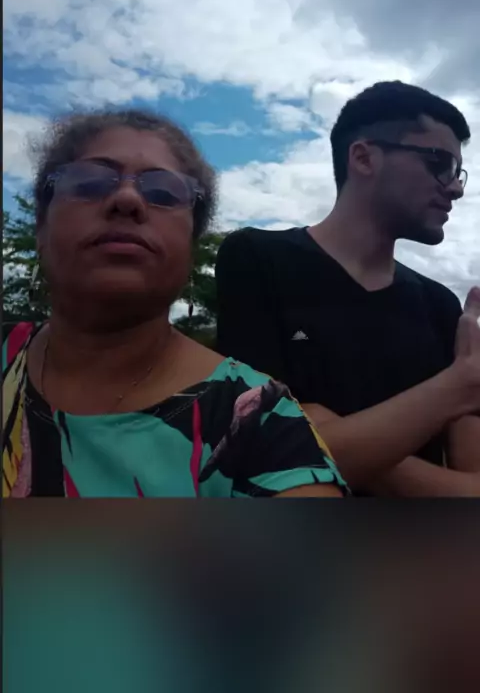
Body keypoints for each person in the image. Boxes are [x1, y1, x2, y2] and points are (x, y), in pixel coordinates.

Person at [2, 108, 347, 499]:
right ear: (41, 227)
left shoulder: (262, 421)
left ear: (190, 244)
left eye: (163, 193)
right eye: (89, 183)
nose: (127, 199)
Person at [215, 81, 480, 496]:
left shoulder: (440, 306)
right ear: (363, 157)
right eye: (439, 163)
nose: (456, 188)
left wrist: (327, 436)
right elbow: (258, 452)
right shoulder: (257, 258)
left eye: (458, 172)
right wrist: (454, 389)